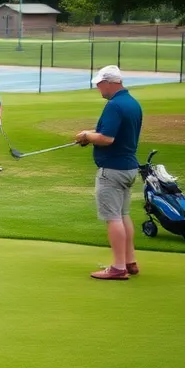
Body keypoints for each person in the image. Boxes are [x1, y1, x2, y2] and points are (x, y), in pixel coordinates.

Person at [75, 65, 144, 280]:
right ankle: (130, 261)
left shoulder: (114, 105)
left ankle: (118, 267)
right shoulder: (132, 102)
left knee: (113, 218)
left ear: (110, 83)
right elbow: (109, 133)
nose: (98, 88)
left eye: (99, 84)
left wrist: (86, 135)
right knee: (123, 215)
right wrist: (89, 136)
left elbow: (107, 138)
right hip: (129, 167)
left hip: (112, 170)